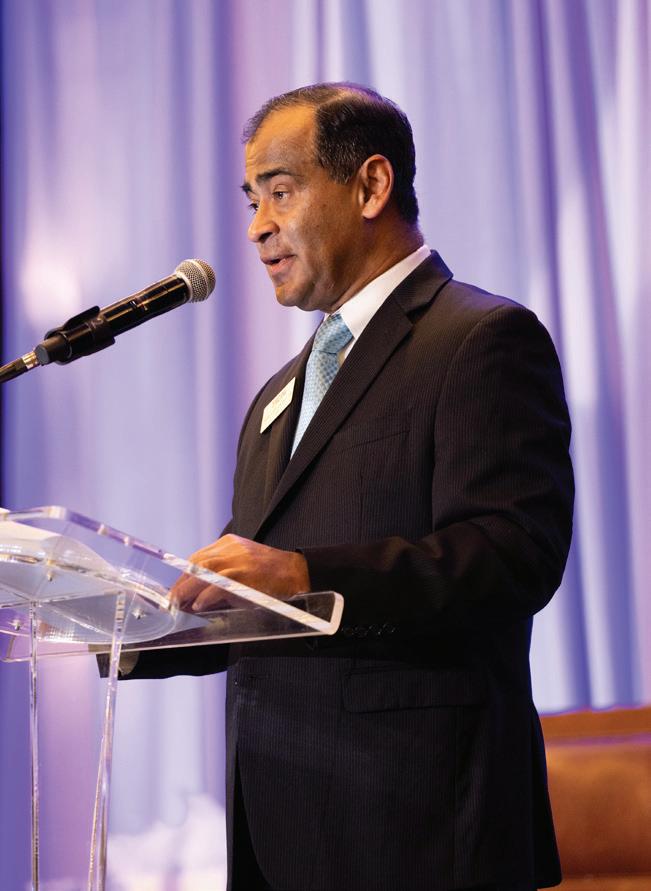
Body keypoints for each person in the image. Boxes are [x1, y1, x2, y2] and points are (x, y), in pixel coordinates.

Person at [130, 84, 574, 891]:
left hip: (420, 830)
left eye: (280, 190)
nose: (257, 226)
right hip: (279, 829)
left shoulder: (479, 339)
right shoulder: (276, 396)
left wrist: (306, 573)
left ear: (370, 186)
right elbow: (255, 601)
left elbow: (512, 553)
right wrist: (126, 623)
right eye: (252, 200)